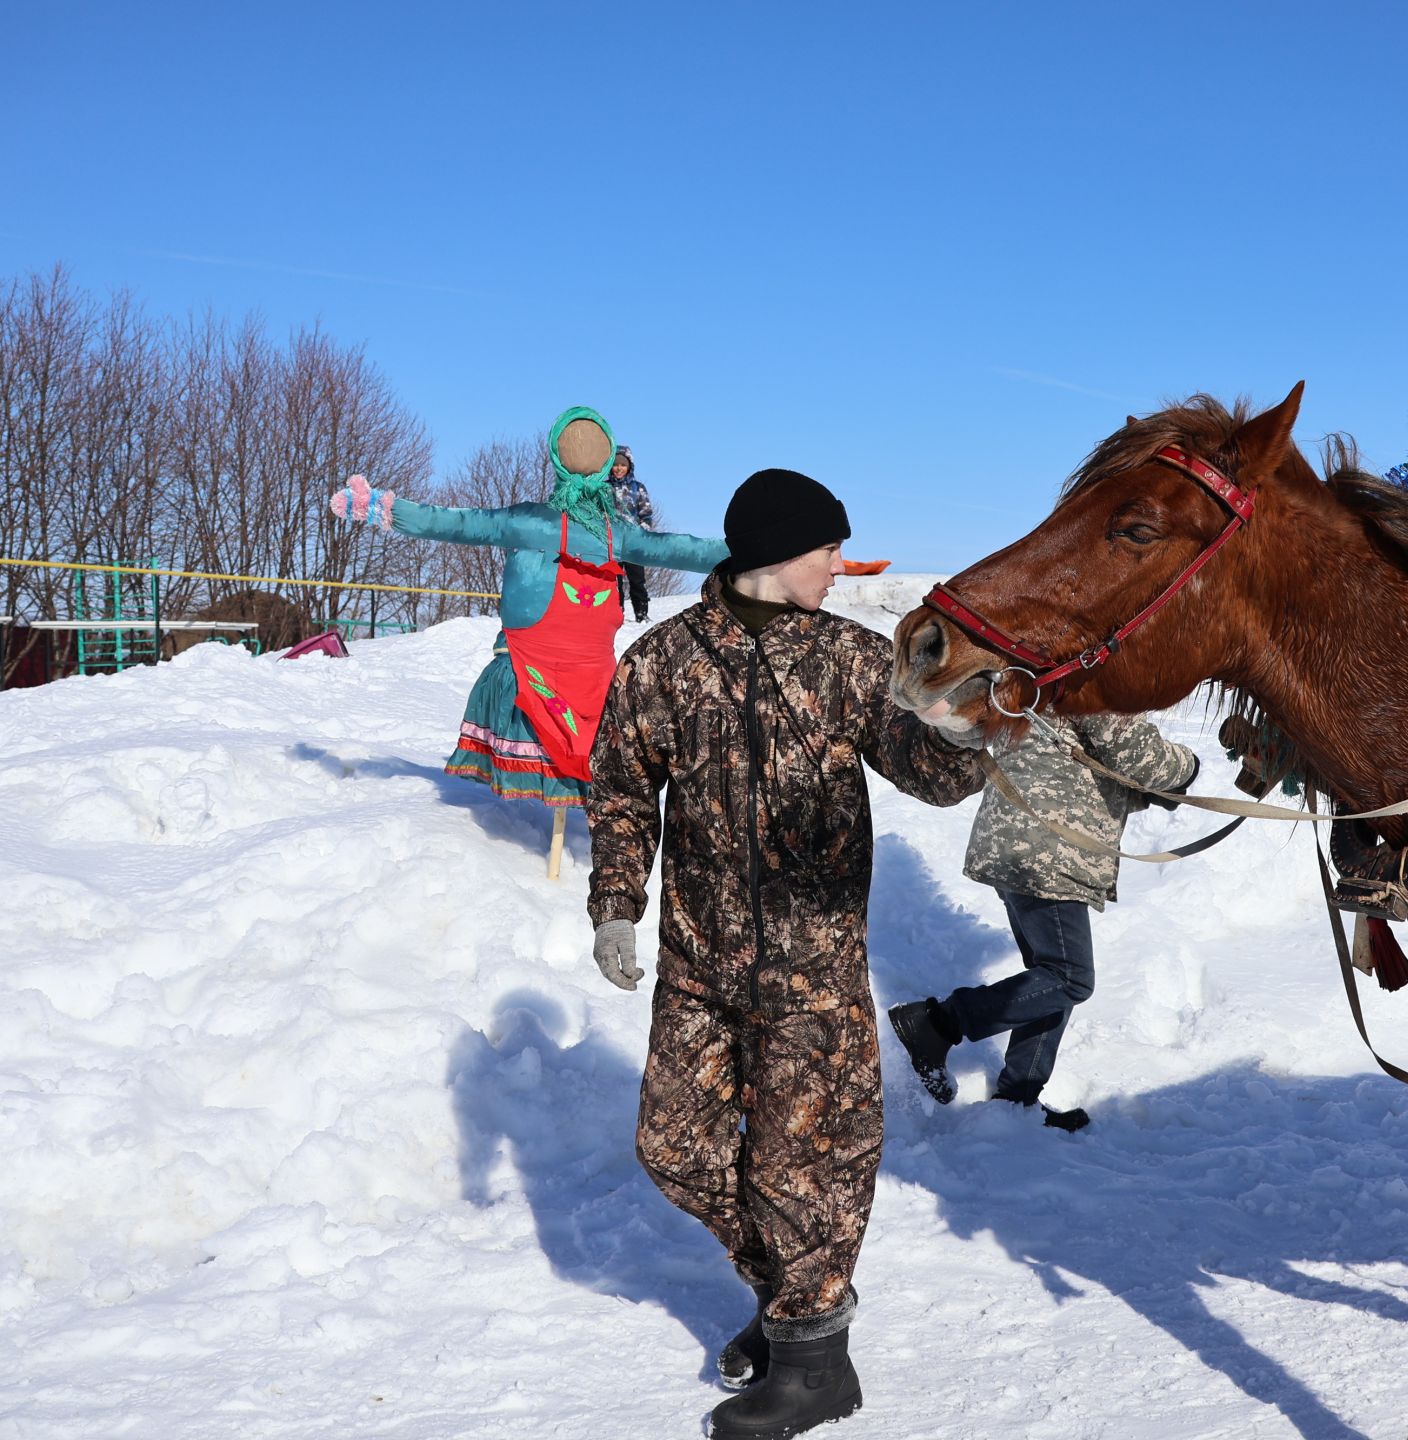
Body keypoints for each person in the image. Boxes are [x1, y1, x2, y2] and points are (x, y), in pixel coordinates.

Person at [585, 468, 984, 1440]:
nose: (839, 567)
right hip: (699, 965)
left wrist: (982, 721)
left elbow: (931, 775)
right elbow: (624, 789)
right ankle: (792, 1297)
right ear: (773, 552)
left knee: (807, 1163)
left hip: (812, 972)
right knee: (671, 1146)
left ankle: (814, 1361)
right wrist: (615, 907)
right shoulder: (665, 661)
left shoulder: (849, 659)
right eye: (826, 550)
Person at [329, 408, 725, 809]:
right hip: (576, 667)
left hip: (546, 659)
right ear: (606, 464)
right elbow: (681, 549)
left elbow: (455, 522)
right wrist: (750, 548)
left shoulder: (533, 521)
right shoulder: (613, 532)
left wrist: (385, 507)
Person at [888, 712, 1196, 1132]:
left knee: (1049, 981)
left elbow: (1089, 762)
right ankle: (938, 1023)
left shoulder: (1045, 674)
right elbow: (1134, 752)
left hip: (1022, 842)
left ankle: (1016, 1101)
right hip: (1046, 852)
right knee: (1070, 978)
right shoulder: (1099, 678)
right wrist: (1187, 766)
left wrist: (1152, 791)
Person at [607, 444, 657, 622]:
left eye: (622, 465)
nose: (619, 468)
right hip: (611, 542)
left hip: (634, 542)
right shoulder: (603, 488)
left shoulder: (638, 488)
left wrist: (642, 533)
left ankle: (641, 613)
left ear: (629, 467)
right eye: (615, 465)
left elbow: (646, 514)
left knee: (637, 579)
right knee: (613, 581)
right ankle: (616, 613)